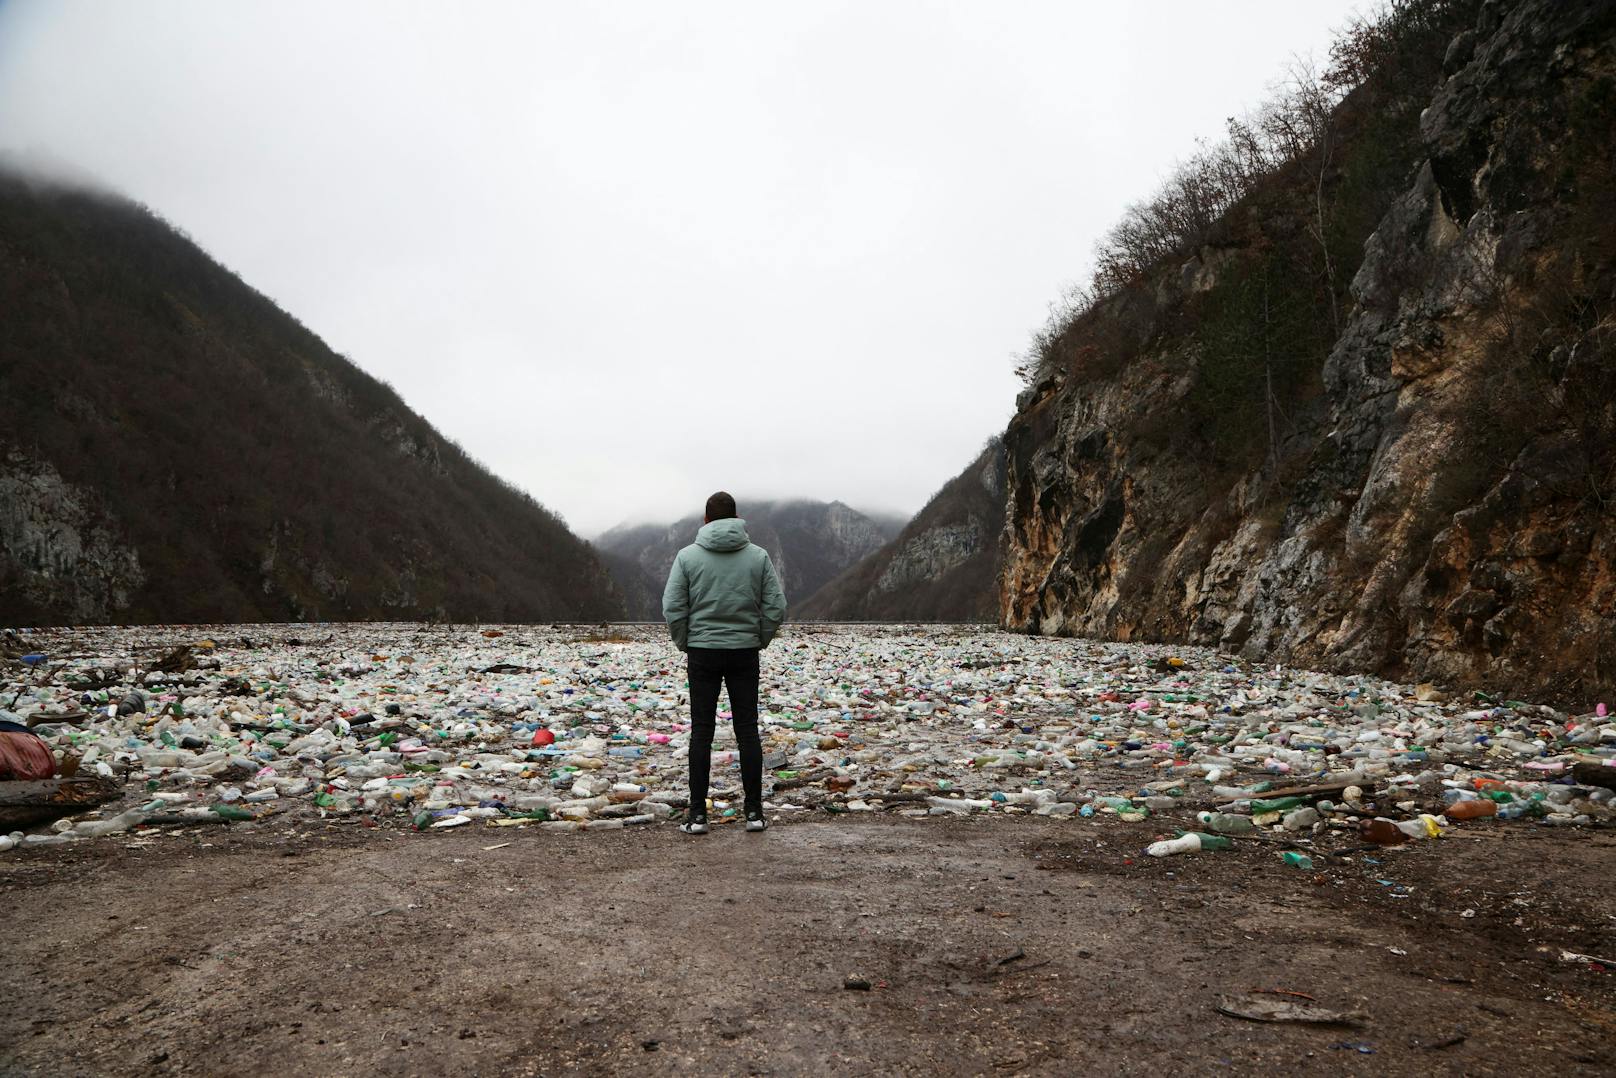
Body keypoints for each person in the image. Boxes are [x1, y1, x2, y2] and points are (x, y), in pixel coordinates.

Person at [662, 491, 787, 834]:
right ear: (737, 518)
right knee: (747, 730)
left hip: (702, 651)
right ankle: (754, 813)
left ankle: (698, 815)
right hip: (744, 651)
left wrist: (685, 641)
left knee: (702, 732)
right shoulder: (758, 557)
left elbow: (673, 606)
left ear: (705, 521)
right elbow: (776, 606)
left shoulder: (687, 557)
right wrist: (758, 637)